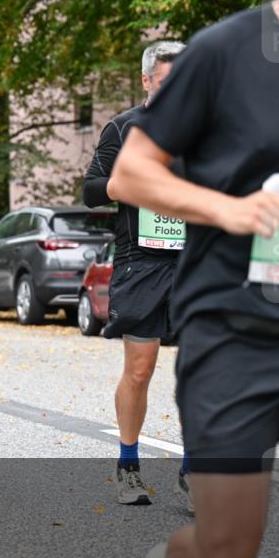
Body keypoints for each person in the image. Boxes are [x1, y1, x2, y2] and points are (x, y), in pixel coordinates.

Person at [110, 0, 279, 558]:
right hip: (236, 328)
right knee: (227, 548)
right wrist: (229, 209)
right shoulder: (224, 52)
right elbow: (130, 175)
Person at [82, 40, 192, 510]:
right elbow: (90, 191)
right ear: (147, 81)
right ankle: (129, 465)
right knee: (141, 369)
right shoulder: (123, 128)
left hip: (196, 262)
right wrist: (124, 184)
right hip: (140, 262)